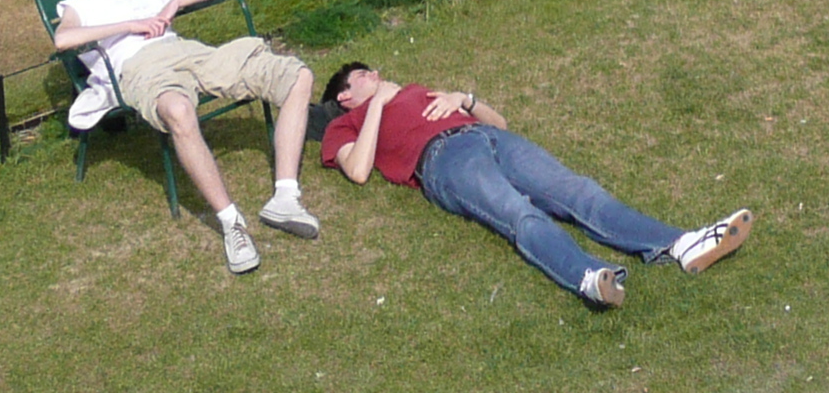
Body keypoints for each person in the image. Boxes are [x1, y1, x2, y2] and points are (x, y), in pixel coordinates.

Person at [319, 62, 753, 309]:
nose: (376, 72)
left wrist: (463, 99)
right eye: (364, 74)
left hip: (488, 136)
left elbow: (500, 123)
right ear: (345, 94)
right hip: (442, 159)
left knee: (577, 191)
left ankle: (681, 244)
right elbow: (357, 171)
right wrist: (377, 103)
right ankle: (587, 276)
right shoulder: (344, 124)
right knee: (517, 213)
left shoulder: (414, 89)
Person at [41, 0, 320, 275]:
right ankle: (231, 224)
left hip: (191, 53)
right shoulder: (81, 6)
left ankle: (285, 197)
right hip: (143, 69)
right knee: (178, 111)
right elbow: (63, 39)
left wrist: (174, 3)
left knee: (297, 75)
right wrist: (132, 24)